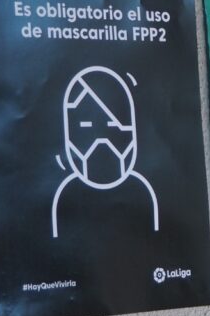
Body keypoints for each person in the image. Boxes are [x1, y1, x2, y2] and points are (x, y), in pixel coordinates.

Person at [51, 66, 158, 237]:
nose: (101, 140)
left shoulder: (140, 192)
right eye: (86, 125)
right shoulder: (67, 195)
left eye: (111, 125)